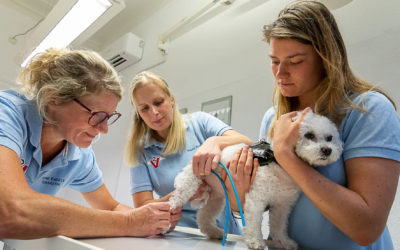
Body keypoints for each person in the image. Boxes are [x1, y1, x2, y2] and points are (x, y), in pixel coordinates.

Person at [223, 0, 400, 249]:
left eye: (295, 61)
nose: (280, 74)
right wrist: (237, 193)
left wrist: (286, 155)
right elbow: (266, 203)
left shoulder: (369, 111)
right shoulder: (274, 119)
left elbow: (366, 228)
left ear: (326, 58)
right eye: (274, 61)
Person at [0, 48, 172, 239]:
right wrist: (128, 224)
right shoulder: (6, 115)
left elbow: (112, 207)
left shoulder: (78, 155)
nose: (104, 129)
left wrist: (153, 219)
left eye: (109, 117)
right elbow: (10, 210)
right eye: (97, 116)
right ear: (53, 98)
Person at [125, 71, 255, 234]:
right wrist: (183, 193)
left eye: (158, 102)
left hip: (225, 233)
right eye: (144, 109)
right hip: (178, 235)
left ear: (171, 99)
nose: (154, 113)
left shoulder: (199, 122)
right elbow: (143, 208)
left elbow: (247, 142)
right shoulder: (141, 151)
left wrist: (214, 141)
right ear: (139, 113)